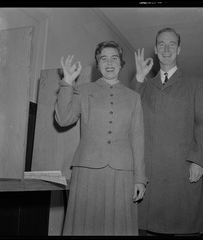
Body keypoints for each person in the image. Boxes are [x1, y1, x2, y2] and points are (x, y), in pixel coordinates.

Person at [55, 41, 147, 235]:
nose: (109, 62)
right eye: (103, 58)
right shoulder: (84, 90)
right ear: (98, 64)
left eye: (114, 58)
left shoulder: (133, 97)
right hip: (88, 169)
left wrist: (140, 178)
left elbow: (138, 140)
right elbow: (63, 120)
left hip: (122, 171)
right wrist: (68, 82)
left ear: (121, 64)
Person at [130, 27, 203, 235]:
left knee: (182, 227)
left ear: (179, 49)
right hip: (150, 174)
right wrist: (139, 78)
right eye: (161, 44)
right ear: (155, 50)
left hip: (181, 173)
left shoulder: (195, 83)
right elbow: (127, 110)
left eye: (172, 44)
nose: (166, 49)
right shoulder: (145, 85)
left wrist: (199, 160)